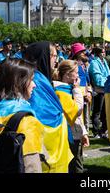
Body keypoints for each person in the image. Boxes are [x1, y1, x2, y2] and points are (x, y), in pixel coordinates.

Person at [0, 59, 47, 173]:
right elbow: (31, 165)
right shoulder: (26, 120)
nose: (34, 85)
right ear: (17, 83)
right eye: (31, 80)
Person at [24, 41, 73, 173]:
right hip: (47, 144)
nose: (56, 60)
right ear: (43, 56)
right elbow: (41, 113)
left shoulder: (43, 78)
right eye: (53, 56)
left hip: (56, 141)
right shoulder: (35, 80)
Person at [53, 60, 89, 173]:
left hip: (76, 132)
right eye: (76, 72)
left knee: (77, 163)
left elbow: (78, 117)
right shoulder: (61, 91)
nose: (78, 75)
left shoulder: (69, 88)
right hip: (70, 135)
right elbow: (77, 110)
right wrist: (77, 90)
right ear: (68, 74)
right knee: (76, 166)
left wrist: (83, 132)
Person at [88, 47, 110, 139]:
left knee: (105, 111)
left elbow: (108, 74)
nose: (104, 53)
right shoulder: (94, 63)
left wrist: (108, 80)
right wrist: (107, 80)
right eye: (102, 52)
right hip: (98, 90)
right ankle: (96, 131)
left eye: (104, 52)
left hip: (106, 89)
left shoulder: (104, 62)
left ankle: (104, 130)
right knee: (97, 111)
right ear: (98, 53)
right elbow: (97, 78)